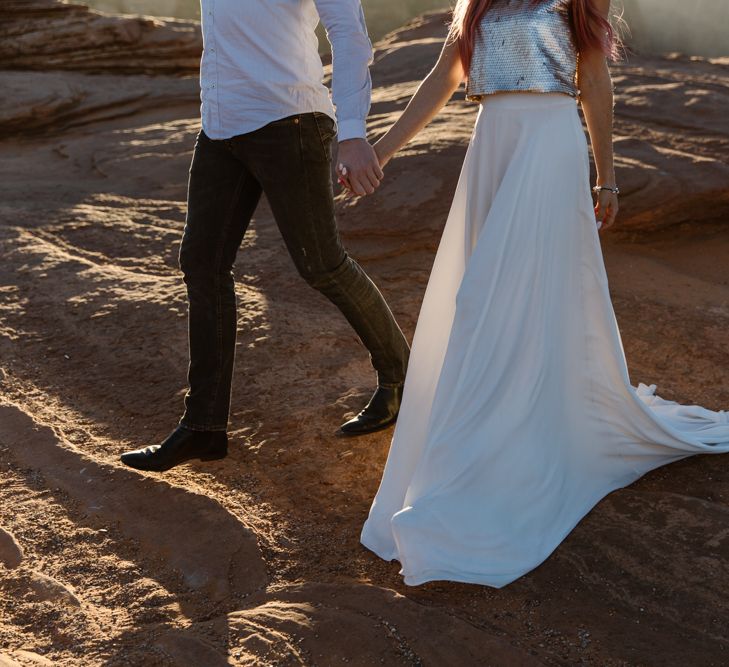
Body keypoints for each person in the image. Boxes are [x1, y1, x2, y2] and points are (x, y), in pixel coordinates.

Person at [351, 0, 729, 587]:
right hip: (494, 145)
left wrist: (605, 176)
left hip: (549, 146)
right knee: (478, 298)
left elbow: (594, 78)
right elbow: (445, 75)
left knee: (497, 300)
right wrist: (383, 149)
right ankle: (486, 443)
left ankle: (505, 451)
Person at [120, 0, 411, 473]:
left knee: (320, 263)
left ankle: (401, 376)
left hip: (289, 121)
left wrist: (354, 132)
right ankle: (203, 428)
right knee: (202, 264)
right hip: (220, 126)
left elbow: (349, 33)